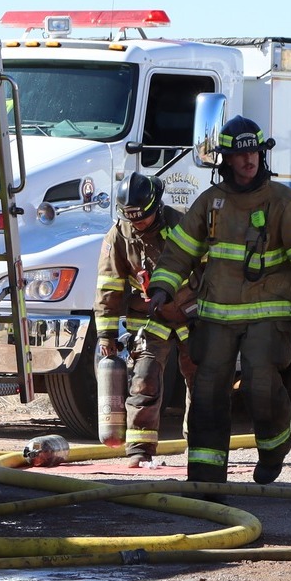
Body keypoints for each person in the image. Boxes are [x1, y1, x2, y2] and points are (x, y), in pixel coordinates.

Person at [146, 116, 291, 488]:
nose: (248, 161)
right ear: (226, 160)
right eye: (240, 154)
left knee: (259, 382)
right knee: (207, 390)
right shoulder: (211, 203)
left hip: (270, 312)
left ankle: (274, 448)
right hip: (218, 313)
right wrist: (162, 288)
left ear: (262, 157)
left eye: (254, 153)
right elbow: (179, 250)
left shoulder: (283, 202)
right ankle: (205, 477)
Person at [95, 172, 197, 467]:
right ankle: (139, 450)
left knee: (202, 382)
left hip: (191, 316)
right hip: (151, 321)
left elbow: (209, 271)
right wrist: (107, 335)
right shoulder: (118, 236)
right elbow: (108, 287)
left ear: (157, 207)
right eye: (131, 217)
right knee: (143, 382)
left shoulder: (183, 226)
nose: (137, 223)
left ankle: (201, 446)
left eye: (142, 217)